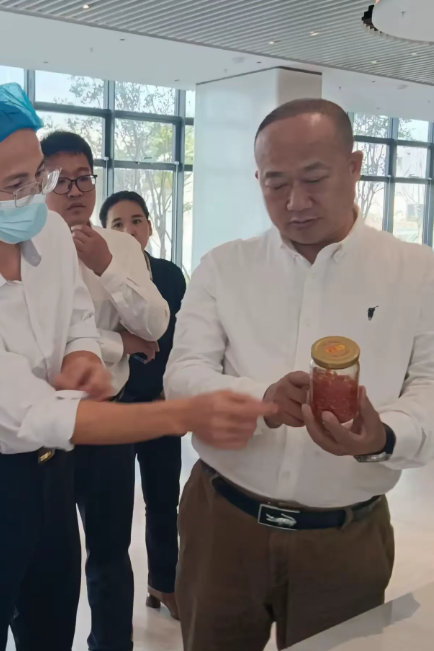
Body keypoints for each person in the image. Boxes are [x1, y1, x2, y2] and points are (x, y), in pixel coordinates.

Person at [0, 84, 274, 651]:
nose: (36, 195)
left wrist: (82, 355)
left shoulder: (49, 234)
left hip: (52, 473)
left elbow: (76, 315)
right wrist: (185, 414)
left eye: (39, 177)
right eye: (17, 185)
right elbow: (35, 412)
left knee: (52, 622)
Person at [165, 98, 434, 651]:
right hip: (223, 525)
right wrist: (257, 399)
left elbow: (430, 387)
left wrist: (382, 436)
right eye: (276, 183)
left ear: (354, 167)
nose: (295, 201)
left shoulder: (417, 274)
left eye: (314, 179)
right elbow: (184, 375)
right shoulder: (225, 266)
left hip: (345, 539)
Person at [42, 131, 169, 651]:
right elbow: (46, 347)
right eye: (60, 180)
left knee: (111, 551)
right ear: (38, 183)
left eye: (83, 179)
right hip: (47, 425)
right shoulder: (24, 248)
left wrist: (107, 267)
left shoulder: (119, 247)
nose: (75, 191)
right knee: (49, 560)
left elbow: (155, 324)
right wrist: (121, 342)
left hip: (108, 418)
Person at [99, 190, 186, 621]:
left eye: (136, 220)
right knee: (114, 512)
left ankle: (163, 583)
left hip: (159, 405)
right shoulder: (95, 274)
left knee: (163, 500)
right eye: (117, 224)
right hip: (113, 412)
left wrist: (175, 392)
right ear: (104, 232)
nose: (129, 230)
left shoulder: (169, 275)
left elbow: (180, 341)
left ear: (149, 226)